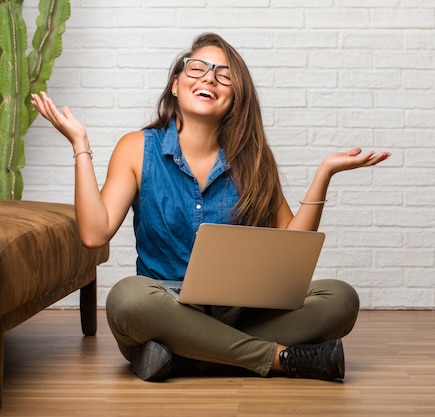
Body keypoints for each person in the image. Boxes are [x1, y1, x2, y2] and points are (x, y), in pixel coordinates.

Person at [32, 32, 391, 382]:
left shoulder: (254, 159)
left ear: (236, 97)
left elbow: (292, 248)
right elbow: (94, 234)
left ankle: (184, 356)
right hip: (164, 309)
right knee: (127, 299)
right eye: (197, 69)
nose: (209, 79)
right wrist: (80, 145)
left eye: (224, 76)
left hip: (239, 313)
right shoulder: (137, 148)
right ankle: (279, 358)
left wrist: (323, 174)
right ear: (176, 84)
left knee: (340, 298)